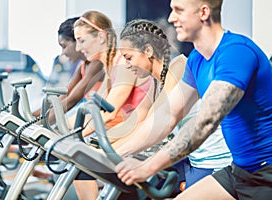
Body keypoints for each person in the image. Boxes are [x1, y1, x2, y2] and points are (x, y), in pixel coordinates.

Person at [116, 0, 272, 199]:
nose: (172, 18)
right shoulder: (197, 59)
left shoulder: (236, 52)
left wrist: (148, 167)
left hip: (266, 174)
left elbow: (205, 121)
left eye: (178, 11)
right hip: (239, 171)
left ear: (204, 12)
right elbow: (168, 115)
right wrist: (116, 154)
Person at [108, 18, 231, 193]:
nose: (127, 65)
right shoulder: (155, 82)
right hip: (192, 158)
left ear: (148, 50)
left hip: (213, 162)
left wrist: (115, 153)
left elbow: (157, 121)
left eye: (129, 58)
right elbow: (135, 122)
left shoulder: (179, 66)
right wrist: (102, 145)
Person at [69, 11, 153, 200]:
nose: (78, 47)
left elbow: (107, 112)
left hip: (145, 140)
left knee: (82, 163)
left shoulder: (123, 63)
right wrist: (60, 128)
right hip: (130, 134)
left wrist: (72, 134)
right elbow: (92, 109)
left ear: (100, 37)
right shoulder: (110, 66)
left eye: (81, 40)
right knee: (80, 160)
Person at [32, 17, 104, 123]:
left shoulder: (97, 63)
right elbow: (64, 97)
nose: (63, 53)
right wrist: (32, 116)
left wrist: (39, 124)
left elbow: (71, 101)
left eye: (64, 46)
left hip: (104, 124)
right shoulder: (83, 66)